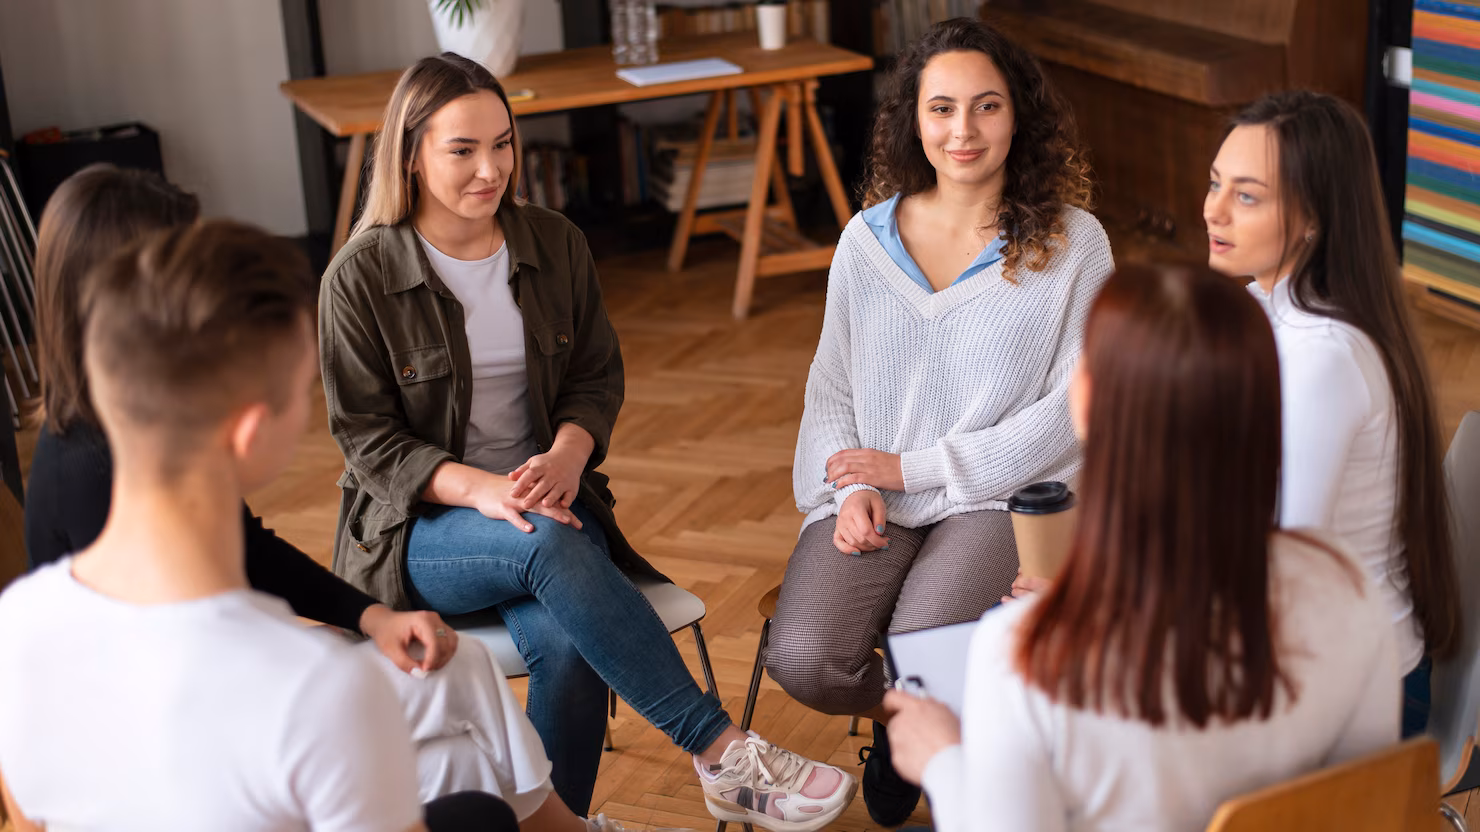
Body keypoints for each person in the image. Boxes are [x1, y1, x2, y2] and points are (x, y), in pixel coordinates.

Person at [319, 52, 855, 830]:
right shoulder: (360, 276)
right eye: (461, 150)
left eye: (502, 144)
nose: (490, 168)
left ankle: (565, 821)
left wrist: (570, 452)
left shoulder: (553, 241)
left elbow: (596, 375)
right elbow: (368, 442)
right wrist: (485, 490)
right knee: (544, 541)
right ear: (410, 153)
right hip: (422, 531)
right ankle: (719, 751)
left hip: (551, 509)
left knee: (567, 643)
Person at [19, 164, 563, 816]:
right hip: (211, 742)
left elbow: (246, 552)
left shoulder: (22, 614)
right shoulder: (309, 687)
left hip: (215, 726)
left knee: (464, 736)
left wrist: (368, 616)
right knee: (471, 779)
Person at [884, 263, 1401, 832]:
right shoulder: (1349, 590)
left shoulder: (1025, 653)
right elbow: (1370, 804)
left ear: (1085, 404)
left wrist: (942, 762)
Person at [765, 16, 1113, 825]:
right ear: (913, 119)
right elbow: (830, 390)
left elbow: (1071, 416)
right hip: (873, 494)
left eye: (987, 107)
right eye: (943, 108)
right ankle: (914, 727)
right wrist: (843, 487)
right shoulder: (863, 243)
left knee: (925, 645)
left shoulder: (1075, 245)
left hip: (1006, 497)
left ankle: (931, 734)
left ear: (1017, 115)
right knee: (806, 659)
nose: (964, 131)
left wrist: (908, 470)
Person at [1204, 90, 1460, 736]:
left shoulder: (1323, 356)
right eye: (1215, 183)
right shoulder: (1267, 310)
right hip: (1313, 656)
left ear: (1313, 219)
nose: (1214, 210)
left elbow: (1285, 567)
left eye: (1247, 195)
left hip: (1356, 692)